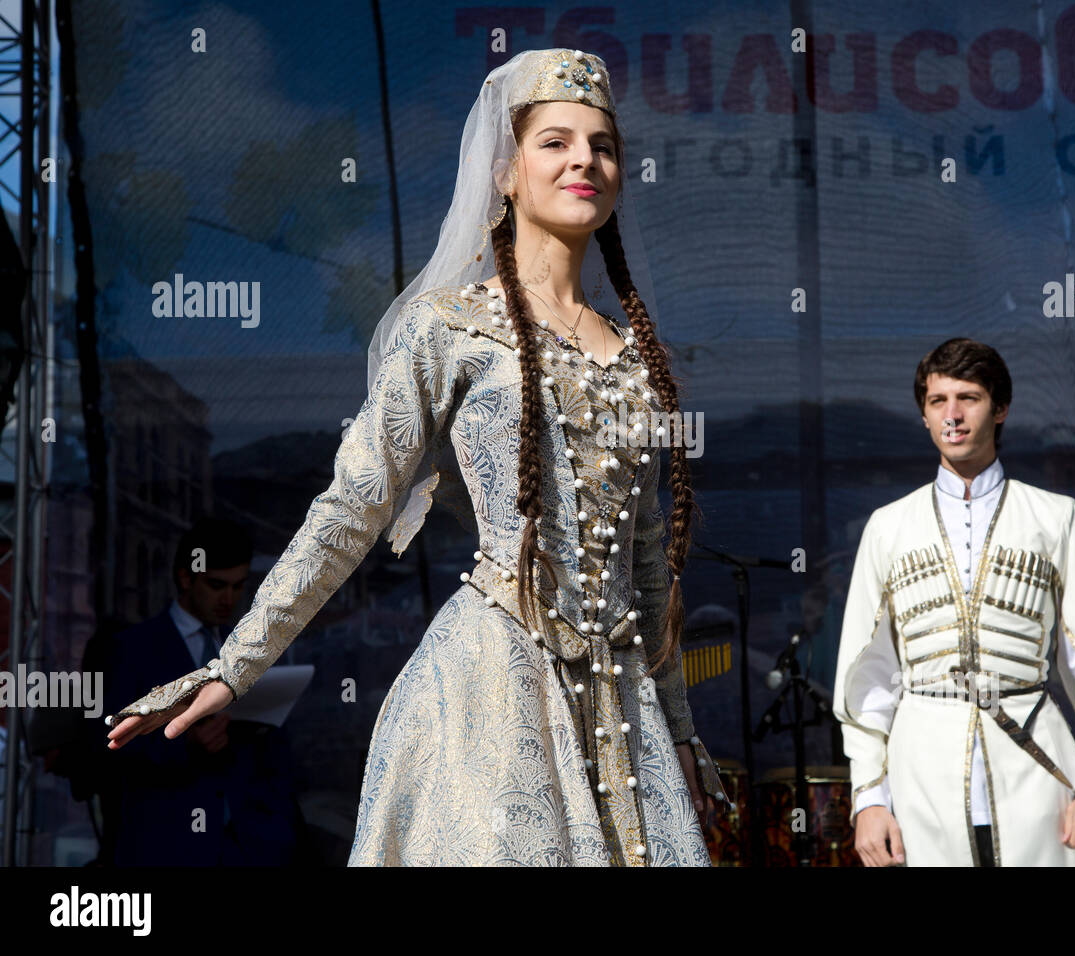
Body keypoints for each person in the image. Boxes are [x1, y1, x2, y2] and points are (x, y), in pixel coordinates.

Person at [106, 48, 727, 866]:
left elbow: (648, 574)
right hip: (493, 695)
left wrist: (677, 731)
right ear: (505, 173)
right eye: (556, 141)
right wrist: (235, 665)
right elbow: (352, 507)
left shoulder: (638, 360)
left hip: (626, 718)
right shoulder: (450, 327)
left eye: (603, 146)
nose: (585, 159)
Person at [833, 338, 1075, 867]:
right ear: (925, 416)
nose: (952, 415)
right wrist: (868, 798)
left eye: (968, 398)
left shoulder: (1056, 518)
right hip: (919, 779)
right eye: (937, 401)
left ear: (1000, 409)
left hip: (1037, 775)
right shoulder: (887, 528)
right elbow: (868, 680)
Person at [91, 517, 305, 865]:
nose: (228, 598)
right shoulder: (130, 649)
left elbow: (276, 752)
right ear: (185, 577)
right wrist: (186, 746)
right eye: (217, 585)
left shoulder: (250, 647)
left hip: (251, 846)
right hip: (168, 845)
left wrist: (278, 828)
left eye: (238, 586)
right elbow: (104, 751)